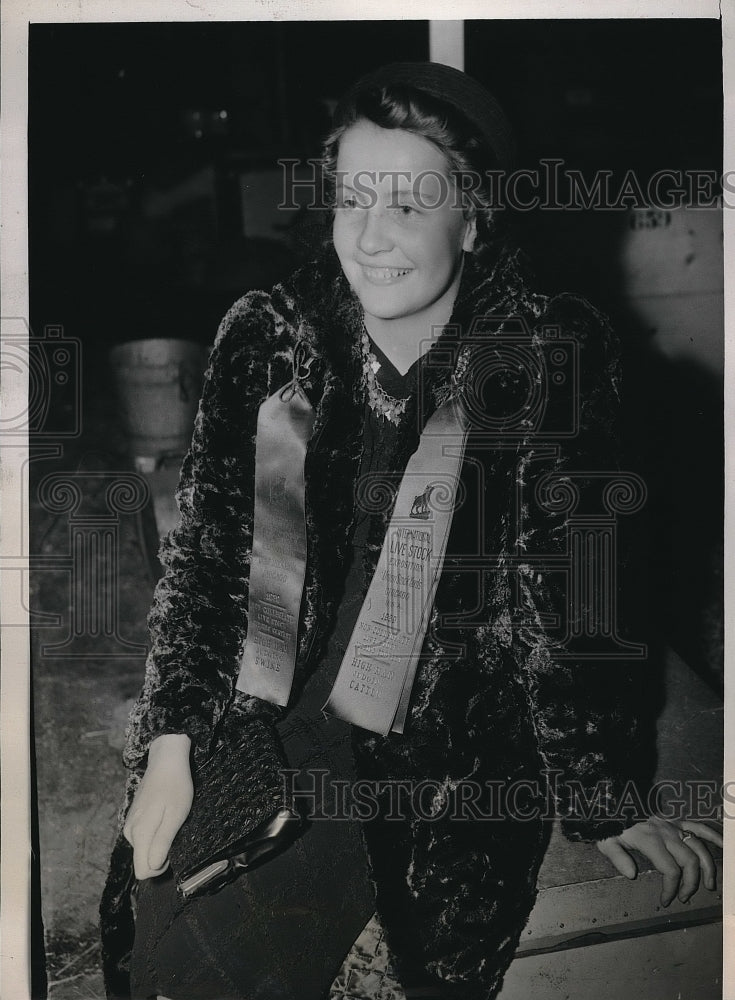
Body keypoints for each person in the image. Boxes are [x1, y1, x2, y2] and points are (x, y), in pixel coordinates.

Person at [101, 62, 722, 1000]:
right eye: (353, 196)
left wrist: (600, 797)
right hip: (275, 697)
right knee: (168, 934)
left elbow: (578, 596)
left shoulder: (549, 353)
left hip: (446, 738)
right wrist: (174, 746)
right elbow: (207, 566)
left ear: (471, 221)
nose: (371, 236)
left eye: (408, 202)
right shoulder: (269, 336)